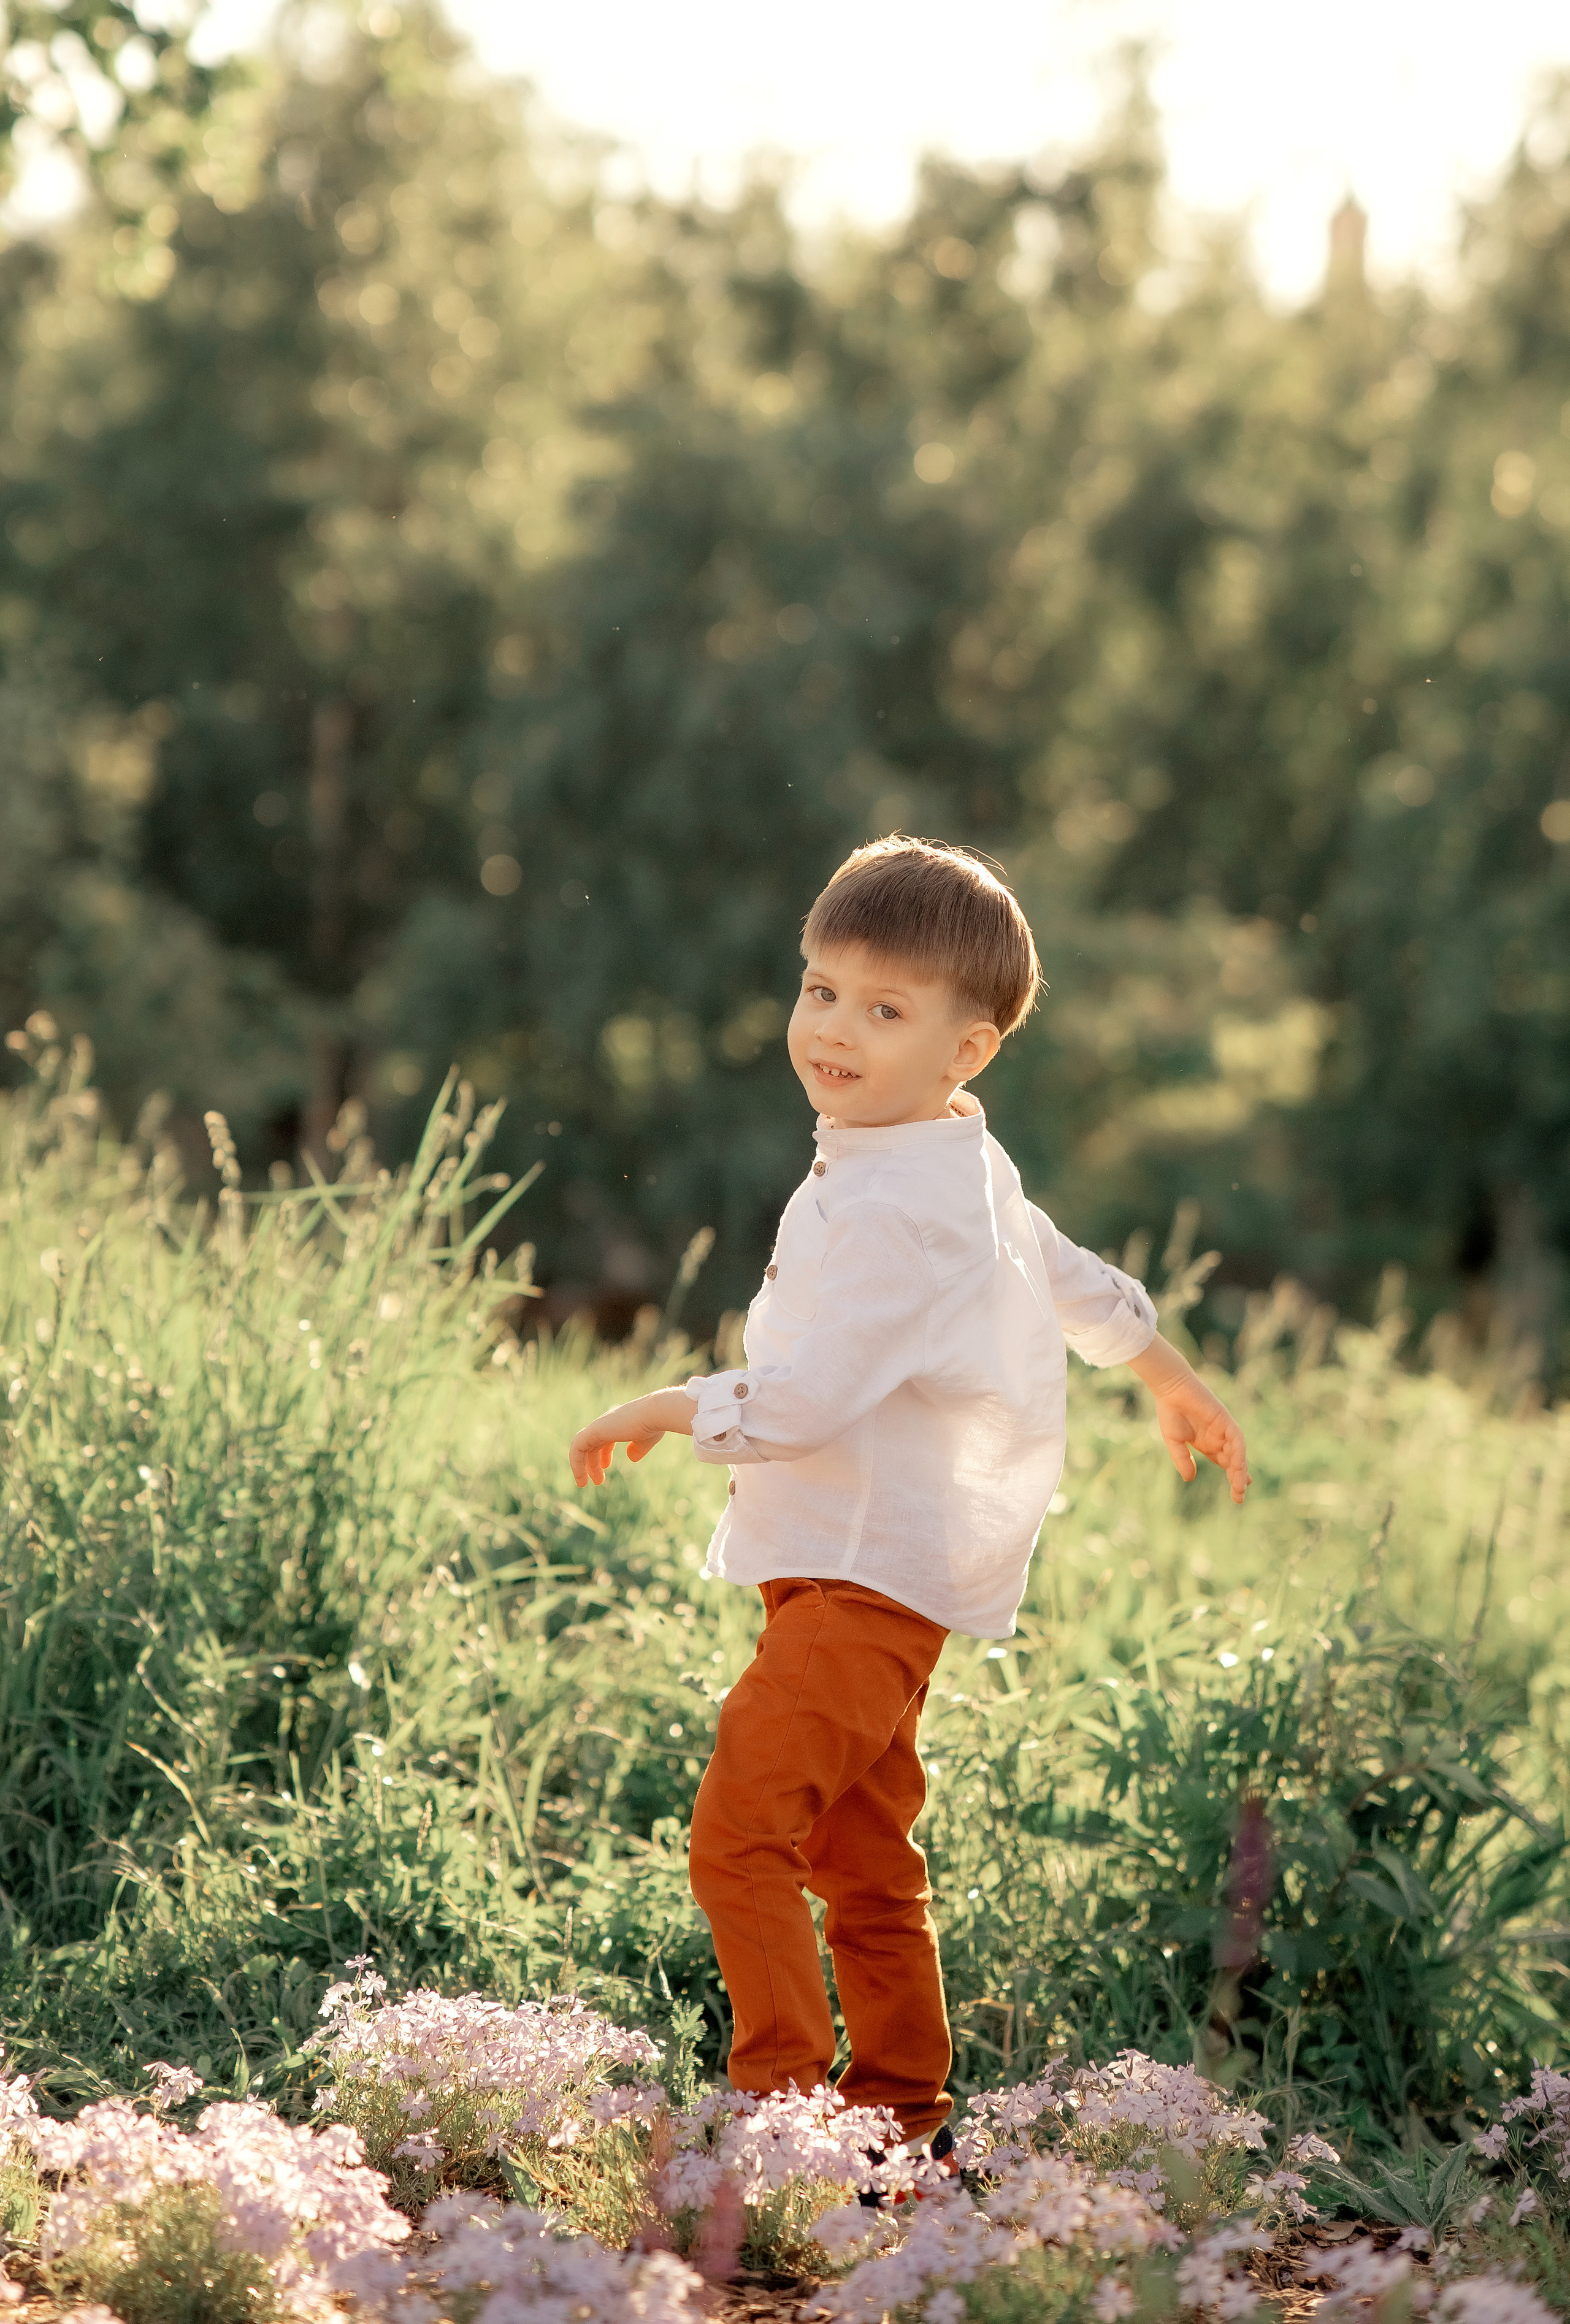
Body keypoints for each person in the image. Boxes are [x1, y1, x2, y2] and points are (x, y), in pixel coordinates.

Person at [567, 837, 1250, 2163]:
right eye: (820, 989)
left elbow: (806, 1400)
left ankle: (778, 2120)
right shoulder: (942, 1159)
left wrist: (661, 1403)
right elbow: (1061, 1268)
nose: (834, 1029)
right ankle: (898, 2124)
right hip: (871, 1567)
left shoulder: (901, 1205)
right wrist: (1162, 1370)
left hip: (861, 1576)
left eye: (885, 1011)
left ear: (967, 1048)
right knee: (863, 1854)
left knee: (739, 1832)